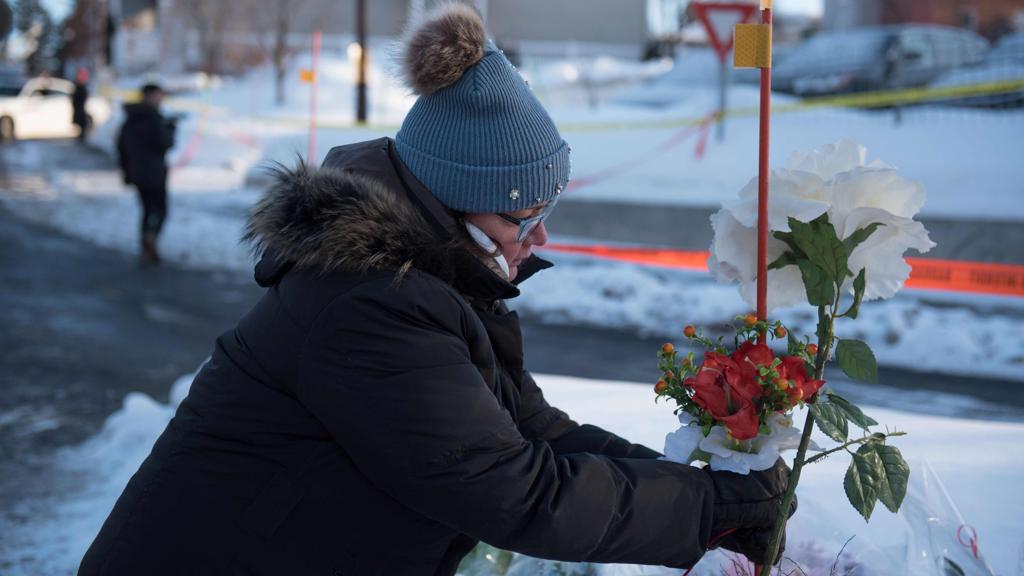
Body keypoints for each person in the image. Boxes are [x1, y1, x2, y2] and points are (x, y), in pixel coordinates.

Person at [80, 5, 793, 575]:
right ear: (457, 204)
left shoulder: (434, 279)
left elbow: (533, 431)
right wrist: (707, 509)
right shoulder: (368, 306)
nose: (539, 237)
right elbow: (514, 488)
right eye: (526, 217)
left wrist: (696, 481)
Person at [116, 83, 176, 265]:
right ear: (149, 96)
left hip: (137, 174)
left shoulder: (130, 118)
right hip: (155, 174)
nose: (161, 100)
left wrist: (127, 171)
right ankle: (151, 238)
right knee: (161, 210)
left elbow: (120, 147)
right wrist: (171, 128)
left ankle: (145, 246)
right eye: (158, 96)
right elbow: (165, 143)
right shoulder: (153, 118)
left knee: (146, 210)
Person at [71, 67, 90, 143]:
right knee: (81, 123)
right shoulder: (79, 87)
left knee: (82, 123)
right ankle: (81, 136)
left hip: (80, 108)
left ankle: (82, 136)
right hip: (79, 108)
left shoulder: (81, 87)